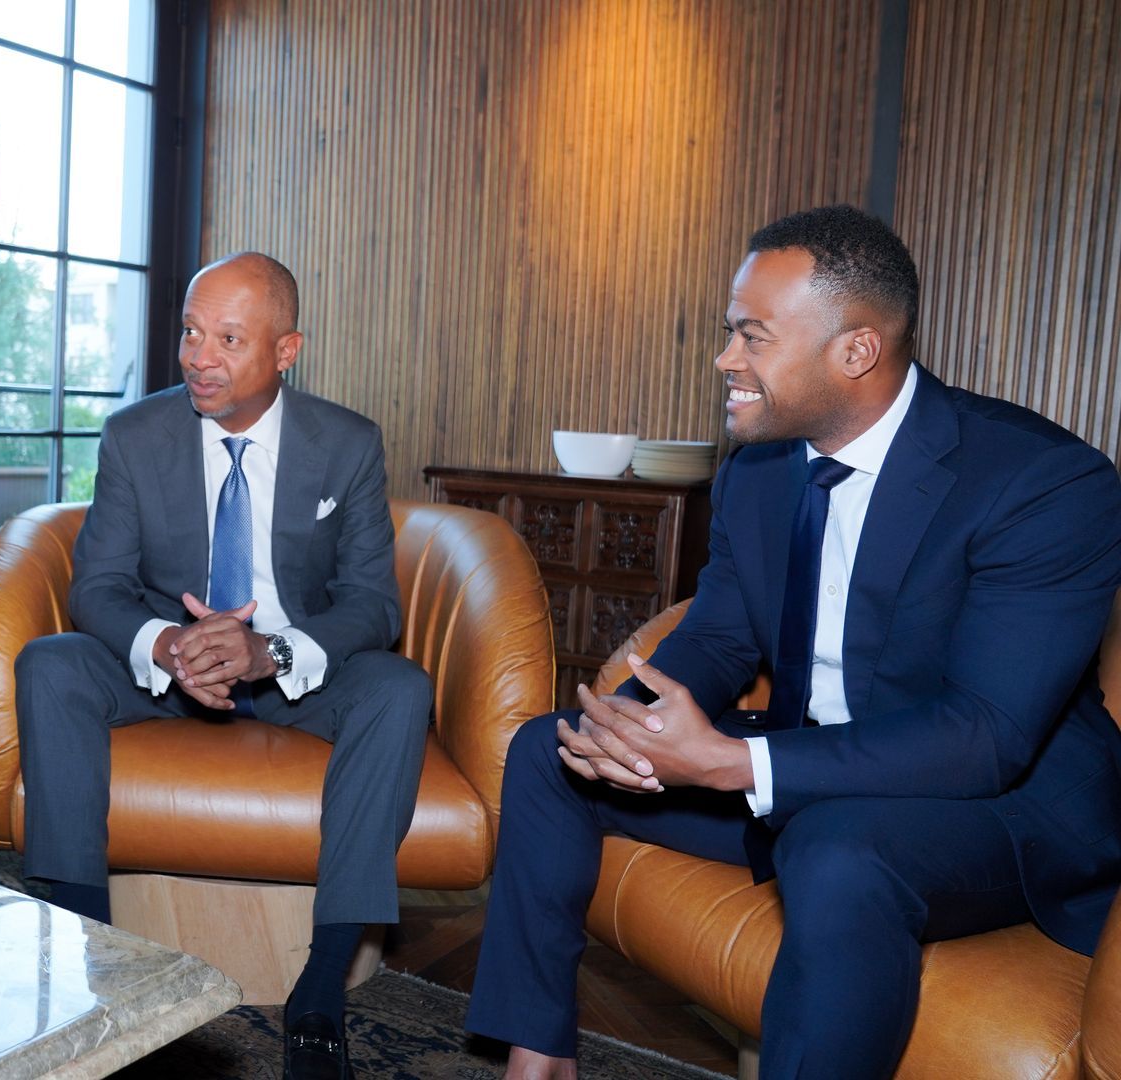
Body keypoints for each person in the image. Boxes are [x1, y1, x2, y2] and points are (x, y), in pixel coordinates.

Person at [465, 205, 1121, 1080]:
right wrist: (633, 726)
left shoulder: (1043, 483)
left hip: (998, 810)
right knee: (554, 751)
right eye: (727, 333)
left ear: (855, 351)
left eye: (751, 337)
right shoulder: (759, 471)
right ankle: (537, 1057)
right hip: (814, 768)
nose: (724, 360)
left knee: (838, 848)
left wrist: (739, 768)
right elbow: (723, 637)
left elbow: (986, 735)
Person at [14, 251, 432, 1080]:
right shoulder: (137, 435)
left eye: (228, 339)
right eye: (190, 332)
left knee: (399, 686)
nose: (197, 357)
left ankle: (320, 993)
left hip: (288, 677)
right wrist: (169, 647)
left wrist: (266, 651)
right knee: (50, 663)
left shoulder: (346, 445)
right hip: (168, 678)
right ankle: (87, 964)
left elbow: (372, 604)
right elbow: (97, 587)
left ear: (286, 350)